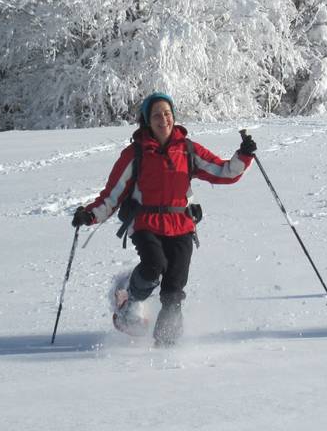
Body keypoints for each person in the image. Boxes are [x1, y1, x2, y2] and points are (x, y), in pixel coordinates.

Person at [72, 91, 256, 346]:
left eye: (167, 114)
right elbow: (112, 194)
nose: (164, 119)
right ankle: (129, 299)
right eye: (157, 115)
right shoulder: (134, 154)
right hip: (146, 224)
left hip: (181, 224)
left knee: (174, 291)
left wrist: (243, 156)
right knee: (152, 267)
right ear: (147, 120)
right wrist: (90, 214)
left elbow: (223, 172)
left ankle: (167, 344)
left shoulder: (188, 149)